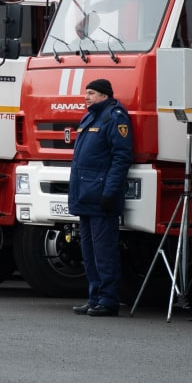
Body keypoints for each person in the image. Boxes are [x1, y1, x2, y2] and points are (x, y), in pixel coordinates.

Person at [67, 78, 133, 317]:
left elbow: (121, 158)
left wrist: (110, 192)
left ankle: (108, 300)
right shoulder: (90, 117)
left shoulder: (114, 117)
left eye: (92, 93)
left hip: (101, 197)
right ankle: (94, 297)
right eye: (86, 93)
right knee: (88, 251)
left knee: (104, 252)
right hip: (85, 194)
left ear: (105, 95)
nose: (87, 97)